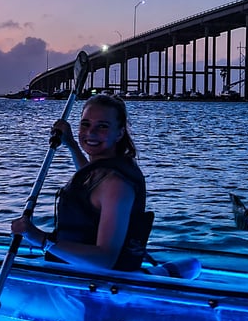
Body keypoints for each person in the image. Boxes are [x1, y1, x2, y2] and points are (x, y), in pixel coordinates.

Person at [11, 93, 152, 272]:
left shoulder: (116, 185)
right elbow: (92, 186)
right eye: (85, 124)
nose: (90, 132)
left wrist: (39, 238)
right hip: (75, 271)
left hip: (97, 285)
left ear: (119, 133)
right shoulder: (103, 171)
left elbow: (105, 260)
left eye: (102, 126)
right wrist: (71, 144)